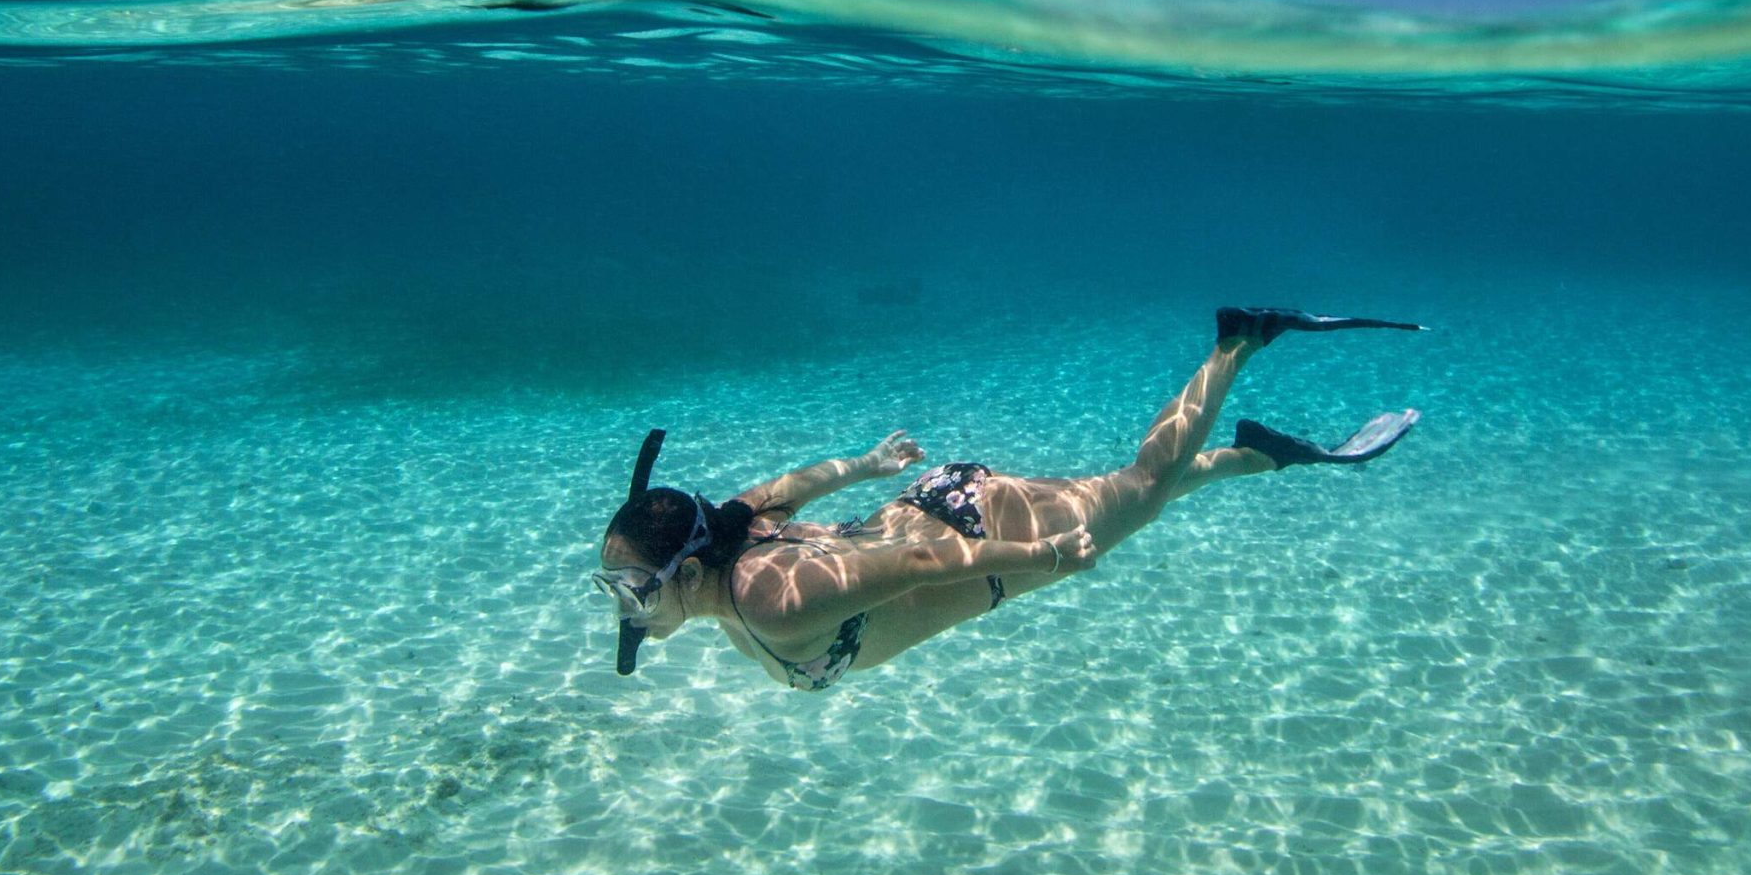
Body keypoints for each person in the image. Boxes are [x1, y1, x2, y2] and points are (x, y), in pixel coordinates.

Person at [590, 306, 1425, 691]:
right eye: (611, 589)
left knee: (1138, 487)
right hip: (942, 502)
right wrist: (866, 463)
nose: (624, 609)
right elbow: (783, 490)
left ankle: (1241, 338)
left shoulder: (775, 602)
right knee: (1143, 499)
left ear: (689, 570)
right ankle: (1264, 454)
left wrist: (1046, 554)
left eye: (629, 588)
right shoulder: (730, 531)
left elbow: (919, 563)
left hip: (976, 534)